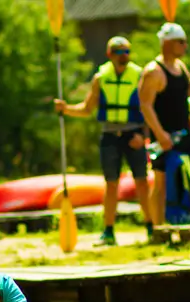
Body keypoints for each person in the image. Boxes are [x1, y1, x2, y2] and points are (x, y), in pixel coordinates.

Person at [55, 36, 151, 246]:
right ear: (110, 54)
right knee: (111, 183)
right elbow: (87, 108)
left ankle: (151, 227)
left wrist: (144, 135)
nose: (123, 55)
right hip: (109, 136)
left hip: (133, 134)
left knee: (142, 182)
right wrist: (66, 109)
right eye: (119, 52)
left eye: (126, 51)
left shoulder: (139, 75)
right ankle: (108, 232)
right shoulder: (100, 78)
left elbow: (149, 107)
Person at [139, 22, 190, 235]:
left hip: (183, 133)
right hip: (164, 136)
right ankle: (157, 228)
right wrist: (160, 134)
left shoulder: (180, 67)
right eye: (181, 42)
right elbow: (145, 105)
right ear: (167, 43)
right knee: (160, 182)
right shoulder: (154, 72)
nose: (185, 46)